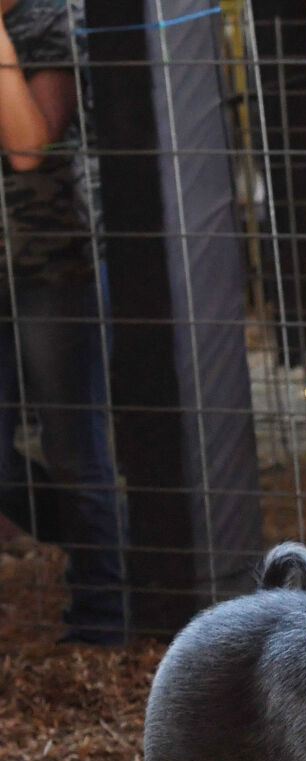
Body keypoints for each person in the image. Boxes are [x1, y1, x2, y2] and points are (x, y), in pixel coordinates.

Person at [0, 0, 123, 644]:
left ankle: (102, 616)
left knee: (74, 447)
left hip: (56, 265)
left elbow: (27, 145)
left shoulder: (53, 18)